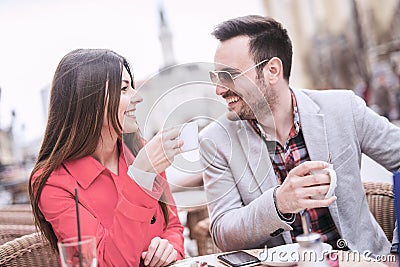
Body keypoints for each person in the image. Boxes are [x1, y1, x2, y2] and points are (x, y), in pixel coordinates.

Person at [200, 15, 400, 257]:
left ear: (272, 70)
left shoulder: (344, 107)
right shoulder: (215, 141)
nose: (219, 90)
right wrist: (279, 203)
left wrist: (397, 251)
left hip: (365, 261)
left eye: (229, 77)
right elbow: (223, 232)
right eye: (216, 78)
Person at [29, 49, 185, 267]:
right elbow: (103, 262)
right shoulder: (53, 182)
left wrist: (170, 248)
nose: (137, 97)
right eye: (124, 88)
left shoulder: (142, 151)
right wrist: (140, 175)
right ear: (88, 101)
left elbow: (173, 226)